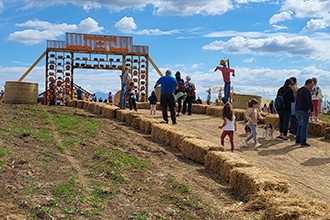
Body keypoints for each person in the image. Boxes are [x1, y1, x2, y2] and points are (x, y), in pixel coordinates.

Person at [295, 79, 314, 146]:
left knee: (300, 125)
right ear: (308, 84)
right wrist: (311, 109)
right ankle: (303, 141)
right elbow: (309, 101)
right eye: (312, 85)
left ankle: (298, 139)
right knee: (304, 126)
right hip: (304, 110)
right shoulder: (307, 91)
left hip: (297, 109)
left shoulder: (299, 90)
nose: (312, 87)